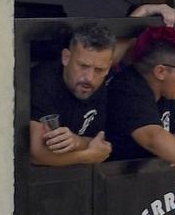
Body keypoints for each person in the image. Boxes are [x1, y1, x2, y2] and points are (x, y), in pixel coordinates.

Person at [102, 25, 175, 182]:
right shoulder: (127, 89)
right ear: (161, 72)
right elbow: (151, 136)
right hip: (114, 185)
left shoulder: (167, 91)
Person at [26, 19, 115, 167]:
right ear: (66, 57)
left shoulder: (101, 85)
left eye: (99, 69)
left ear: (108, 68)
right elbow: (36, 153)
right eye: (83, 66)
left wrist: (77, 142)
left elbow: (100, 142)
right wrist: (86, 155)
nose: (89, 78)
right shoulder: (43, 82)